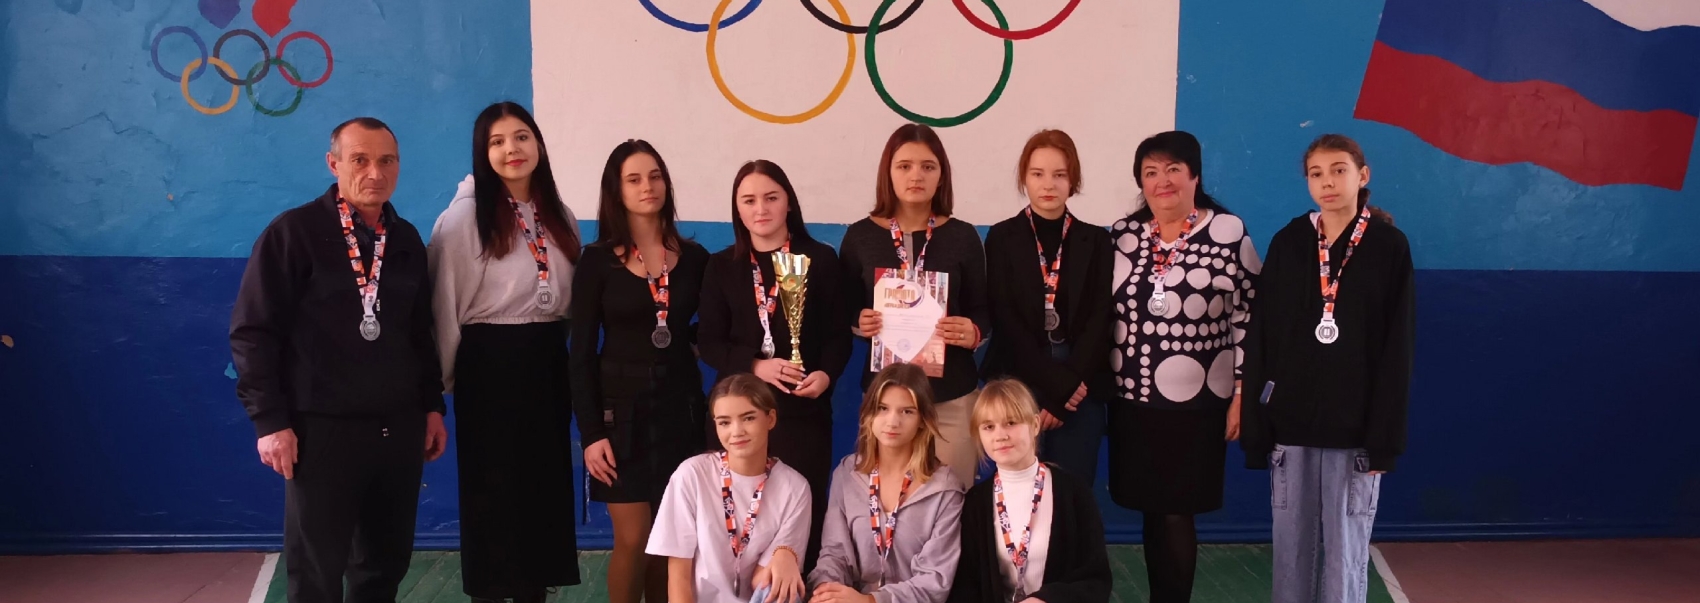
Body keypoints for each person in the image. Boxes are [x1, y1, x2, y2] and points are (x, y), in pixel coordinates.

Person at [230, 117, 449, 603]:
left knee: (384, 566)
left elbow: (420, 335)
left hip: (397, 430)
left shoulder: (406, 240)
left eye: (386, 161)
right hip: (320, 432)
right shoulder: (294, 233)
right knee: (316, 571)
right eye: (360, 160)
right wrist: (270, 422)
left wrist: (432, 406)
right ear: (334, 164)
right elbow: (253, 332)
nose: (375, 172)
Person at [1240, 133, 1413, 603]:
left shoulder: (1389, 247)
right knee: (1292, 555)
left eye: (1339, 170)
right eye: (1316, 174)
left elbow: (1397, 347)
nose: (1328, 183)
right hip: (1291, 426)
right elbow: (1263, 335)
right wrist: (1258, 425)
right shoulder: (1290, 242)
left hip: (1354, 431)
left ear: (1363, 175)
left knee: (1344, 557)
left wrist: (1384, 440)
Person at [427, 101, 583, 602]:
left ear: (538, 144)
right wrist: (439, 389)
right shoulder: (463, 219)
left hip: (547, 364)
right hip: (490, 368)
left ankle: (535, 590)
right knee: (493, 494)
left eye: (521, 137)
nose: (511, 149)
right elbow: (444, 307)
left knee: (543, 489)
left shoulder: (560, 216)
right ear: (483, 152)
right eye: (497, 142)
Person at [1106, 130, 1259, 603]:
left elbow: (1250, 316)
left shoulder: (1227, 232)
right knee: (1151, 509)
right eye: (1151, 172)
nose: (1163, 181)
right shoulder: (1123, 235)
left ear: (1195, 176)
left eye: (1173, 169)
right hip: (1132, 400)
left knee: (1176, 511)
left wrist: (1242, 392)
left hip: (1197, 404)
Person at [570, 139, 712, 603]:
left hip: (680, 412)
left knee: (669, 542)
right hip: (620, 418)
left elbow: (712, 327)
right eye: (634, 179)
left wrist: (696, 341)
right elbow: (580, 354)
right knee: (633, 538)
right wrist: (592, 433)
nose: (647, 186)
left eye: (655, 176)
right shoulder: (596, 261)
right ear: (617, 190)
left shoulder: (695, 258)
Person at [699, 159, 851, 573]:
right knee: (739, 520)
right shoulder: (721, 266)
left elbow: (838, 335)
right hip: (739, 417)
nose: (760, 208)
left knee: (801, 521)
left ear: (789, 203)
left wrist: (826, 375)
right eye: (749, 200)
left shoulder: (820, 259)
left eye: (771, 197)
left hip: (803, 413)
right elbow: (708, 341)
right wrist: (754, 366)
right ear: (737, 209)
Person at [840, 123, 989, 490]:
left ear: (942, 175)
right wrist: (858, 321)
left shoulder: (963, 236)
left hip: (951, 399)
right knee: (887, 500)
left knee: (952, 501)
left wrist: (972, 332)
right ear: (888, 172)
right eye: (904, 166)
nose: (916, 175)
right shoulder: (860, 236)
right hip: (885, 402)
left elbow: (984, 310)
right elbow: (841, 309)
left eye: (928, 166)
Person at [981, 129, 1114, 484]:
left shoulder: (1096, 240)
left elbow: (1100, 318)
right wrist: (1053, 386)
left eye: (1060, 174)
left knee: (1072, 488)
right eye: (1037, 174)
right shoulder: (1002, 237)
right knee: (1019, 486)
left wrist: (1067, 388)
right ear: (1024, 178)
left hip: (1080, 380)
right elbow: (1004, 317)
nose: (1048, 184)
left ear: (1074, 180)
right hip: (1019, 375)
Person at [648, 373, 814, 603]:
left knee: (785, 587)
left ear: (770, 419)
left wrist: (784, 554)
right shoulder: (692, 475)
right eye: (724, 422)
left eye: (748, 418)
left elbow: (764, 581)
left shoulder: (795, 488)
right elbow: (679, 576)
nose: (736, 432)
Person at [808, 363, 965, 603]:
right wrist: (827, 592)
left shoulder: (945, 489)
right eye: (882, 408)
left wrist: (871, 601)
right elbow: (834, 554)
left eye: (907, 411)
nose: (892, 422)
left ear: (922, 419)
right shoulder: (847, 473)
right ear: (868, 413)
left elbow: (934, 581)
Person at [948, 379, 1110, 603]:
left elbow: (1096, 580)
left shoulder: (1073, 493)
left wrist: (1046, 600)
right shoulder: (975, 503)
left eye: (1011, 423)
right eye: (988, 427)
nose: (1000, 435)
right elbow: (966, 586)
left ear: (1035, 425)